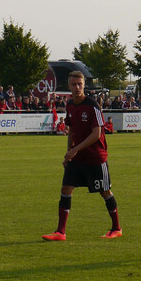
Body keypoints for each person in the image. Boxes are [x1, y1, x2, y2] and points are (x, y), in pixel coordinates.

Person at [42, 71, 121, 241]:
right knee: (66, 189)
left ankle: (116, 228)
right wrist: (68, 153)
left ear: (84, 85)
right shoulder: (70, 104)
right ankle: (60, 232)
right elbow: (71, 130)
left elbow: (97, 133)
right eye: (73, 84)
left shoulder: (92, 105)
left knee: (104, 191)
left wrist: (74, 149)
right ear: (69, 86)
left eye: (80, 84)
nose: (77, 87)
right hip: (77, 157)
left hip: (95, 157)